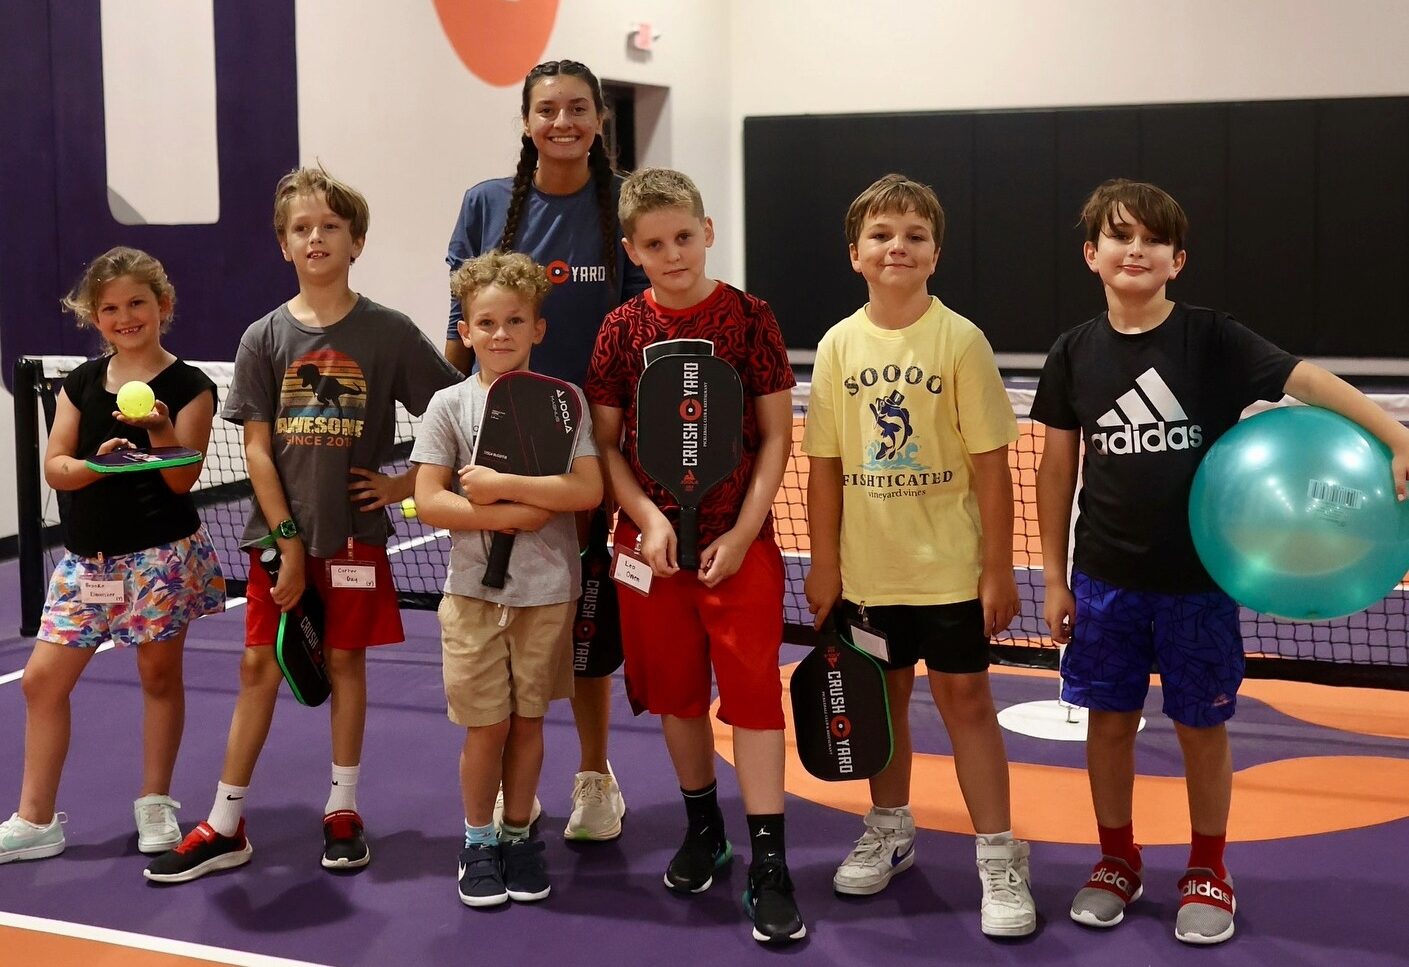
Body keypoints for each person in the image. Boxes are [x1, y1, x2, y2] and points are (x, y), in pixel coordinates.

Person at [1033, 178, 1409, 945]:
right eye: (1118, 235)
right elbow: (1053, 470)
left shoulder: (1211, 338)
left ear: (1177, 259)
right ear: (1090, 254)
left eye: (1151, 239)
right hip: (1105, 583)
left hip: (1198, 586)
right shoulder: (1072, 352)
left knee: (1201, 727)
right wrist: (1052, 574)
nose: (1133, 248)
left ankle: (1207, 868)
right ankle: (1115, 860)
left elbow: (1313, 383)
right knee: (1107, 723)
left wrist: (1397, 436)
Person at [144, 165, 460, 883]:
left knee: (345, 663)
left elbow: (451, 419)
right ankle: (225, 822)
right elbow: (256, 447)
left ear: (357, 241)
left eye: (329, 226)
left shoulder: (388, 332)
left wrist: (404, 483)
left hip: (356, 540)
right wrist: (285, 540)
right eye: (300, 228)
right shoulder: (264, 336)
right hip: (274, 541)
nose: (315, 237)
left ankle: (342, 809)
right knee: (258, 665)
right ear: (283, 245)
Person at [801, 174, 1037, 938]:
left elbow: (991, 465)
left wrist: (996, 566)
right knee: (883, 705)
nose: (895, 246)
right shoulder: (838, 344)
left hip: (950, 572)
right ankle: (889, 826)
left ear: (935, 253)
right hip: (869, 574)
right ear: (854, 254)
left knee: (967, 705)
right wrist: (825, 563)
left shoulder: (958, 339)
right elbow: (827, 466)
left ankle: (999, 856)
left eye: (912, 234)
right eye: (880, 234)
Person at [586, 167, 805, 944]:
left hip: (737, 546)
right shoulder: (618, 330)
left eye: (683, 236)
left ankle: (769, 860)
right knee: (676, 697)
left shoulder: (750, 317)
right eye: (653, 243)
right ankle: (703, 827)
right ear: (631, 250)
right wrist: (644, 516)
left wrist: (745, 532)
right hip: (650, 553)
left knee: (751, 698)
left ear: (706, 232)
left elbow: (778, 433)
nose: (672, 253)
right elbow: (607, 446)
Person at [444, 58, 644, 840]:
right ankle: (504, 795)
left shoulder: (619, 203)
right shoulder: (486, 205)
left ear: (598, 119)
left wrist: (617, 435)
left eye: (577, 109)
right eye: (546, 109)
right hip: (497, 443)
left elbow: (636, 324)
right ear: (526, 121)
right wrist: (448, 423)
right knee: (500, 619)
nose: (562, 122)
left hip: (594, 440)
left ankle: (595, 776)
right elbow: (459, 319)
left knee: (586, 619)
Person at [0, 247, 225, 865]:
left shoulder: (189, 387)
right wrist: (101, 464)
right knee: (42, 682)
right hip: (84, 566)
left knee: (157, 677)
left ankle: (155, 802)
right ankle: (36, 819)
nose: (125, 317)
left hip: (158, 558)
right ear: (94, 318)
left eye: (137, 304)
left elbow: (182, 478)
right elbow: (57, 467)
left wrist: (156, 428)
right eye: (110, 308)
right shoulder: (78, 383)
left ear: (163, 306)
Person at [413, 250, 602, 907]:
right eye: (485, 322)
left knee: (527, 722)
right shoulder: (446, 405)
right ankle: (477, 840)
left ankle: (519, 834)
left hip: (548, 593)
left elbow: (586, 487)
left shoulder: (564, 401)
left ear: (536, 330)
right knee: (485, 726)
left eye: (514, 320)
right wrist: (521, 509)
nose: (500, 333)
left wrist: (504, 487)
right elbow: (430, 500)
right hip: (470, 595)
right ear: (464, 331)